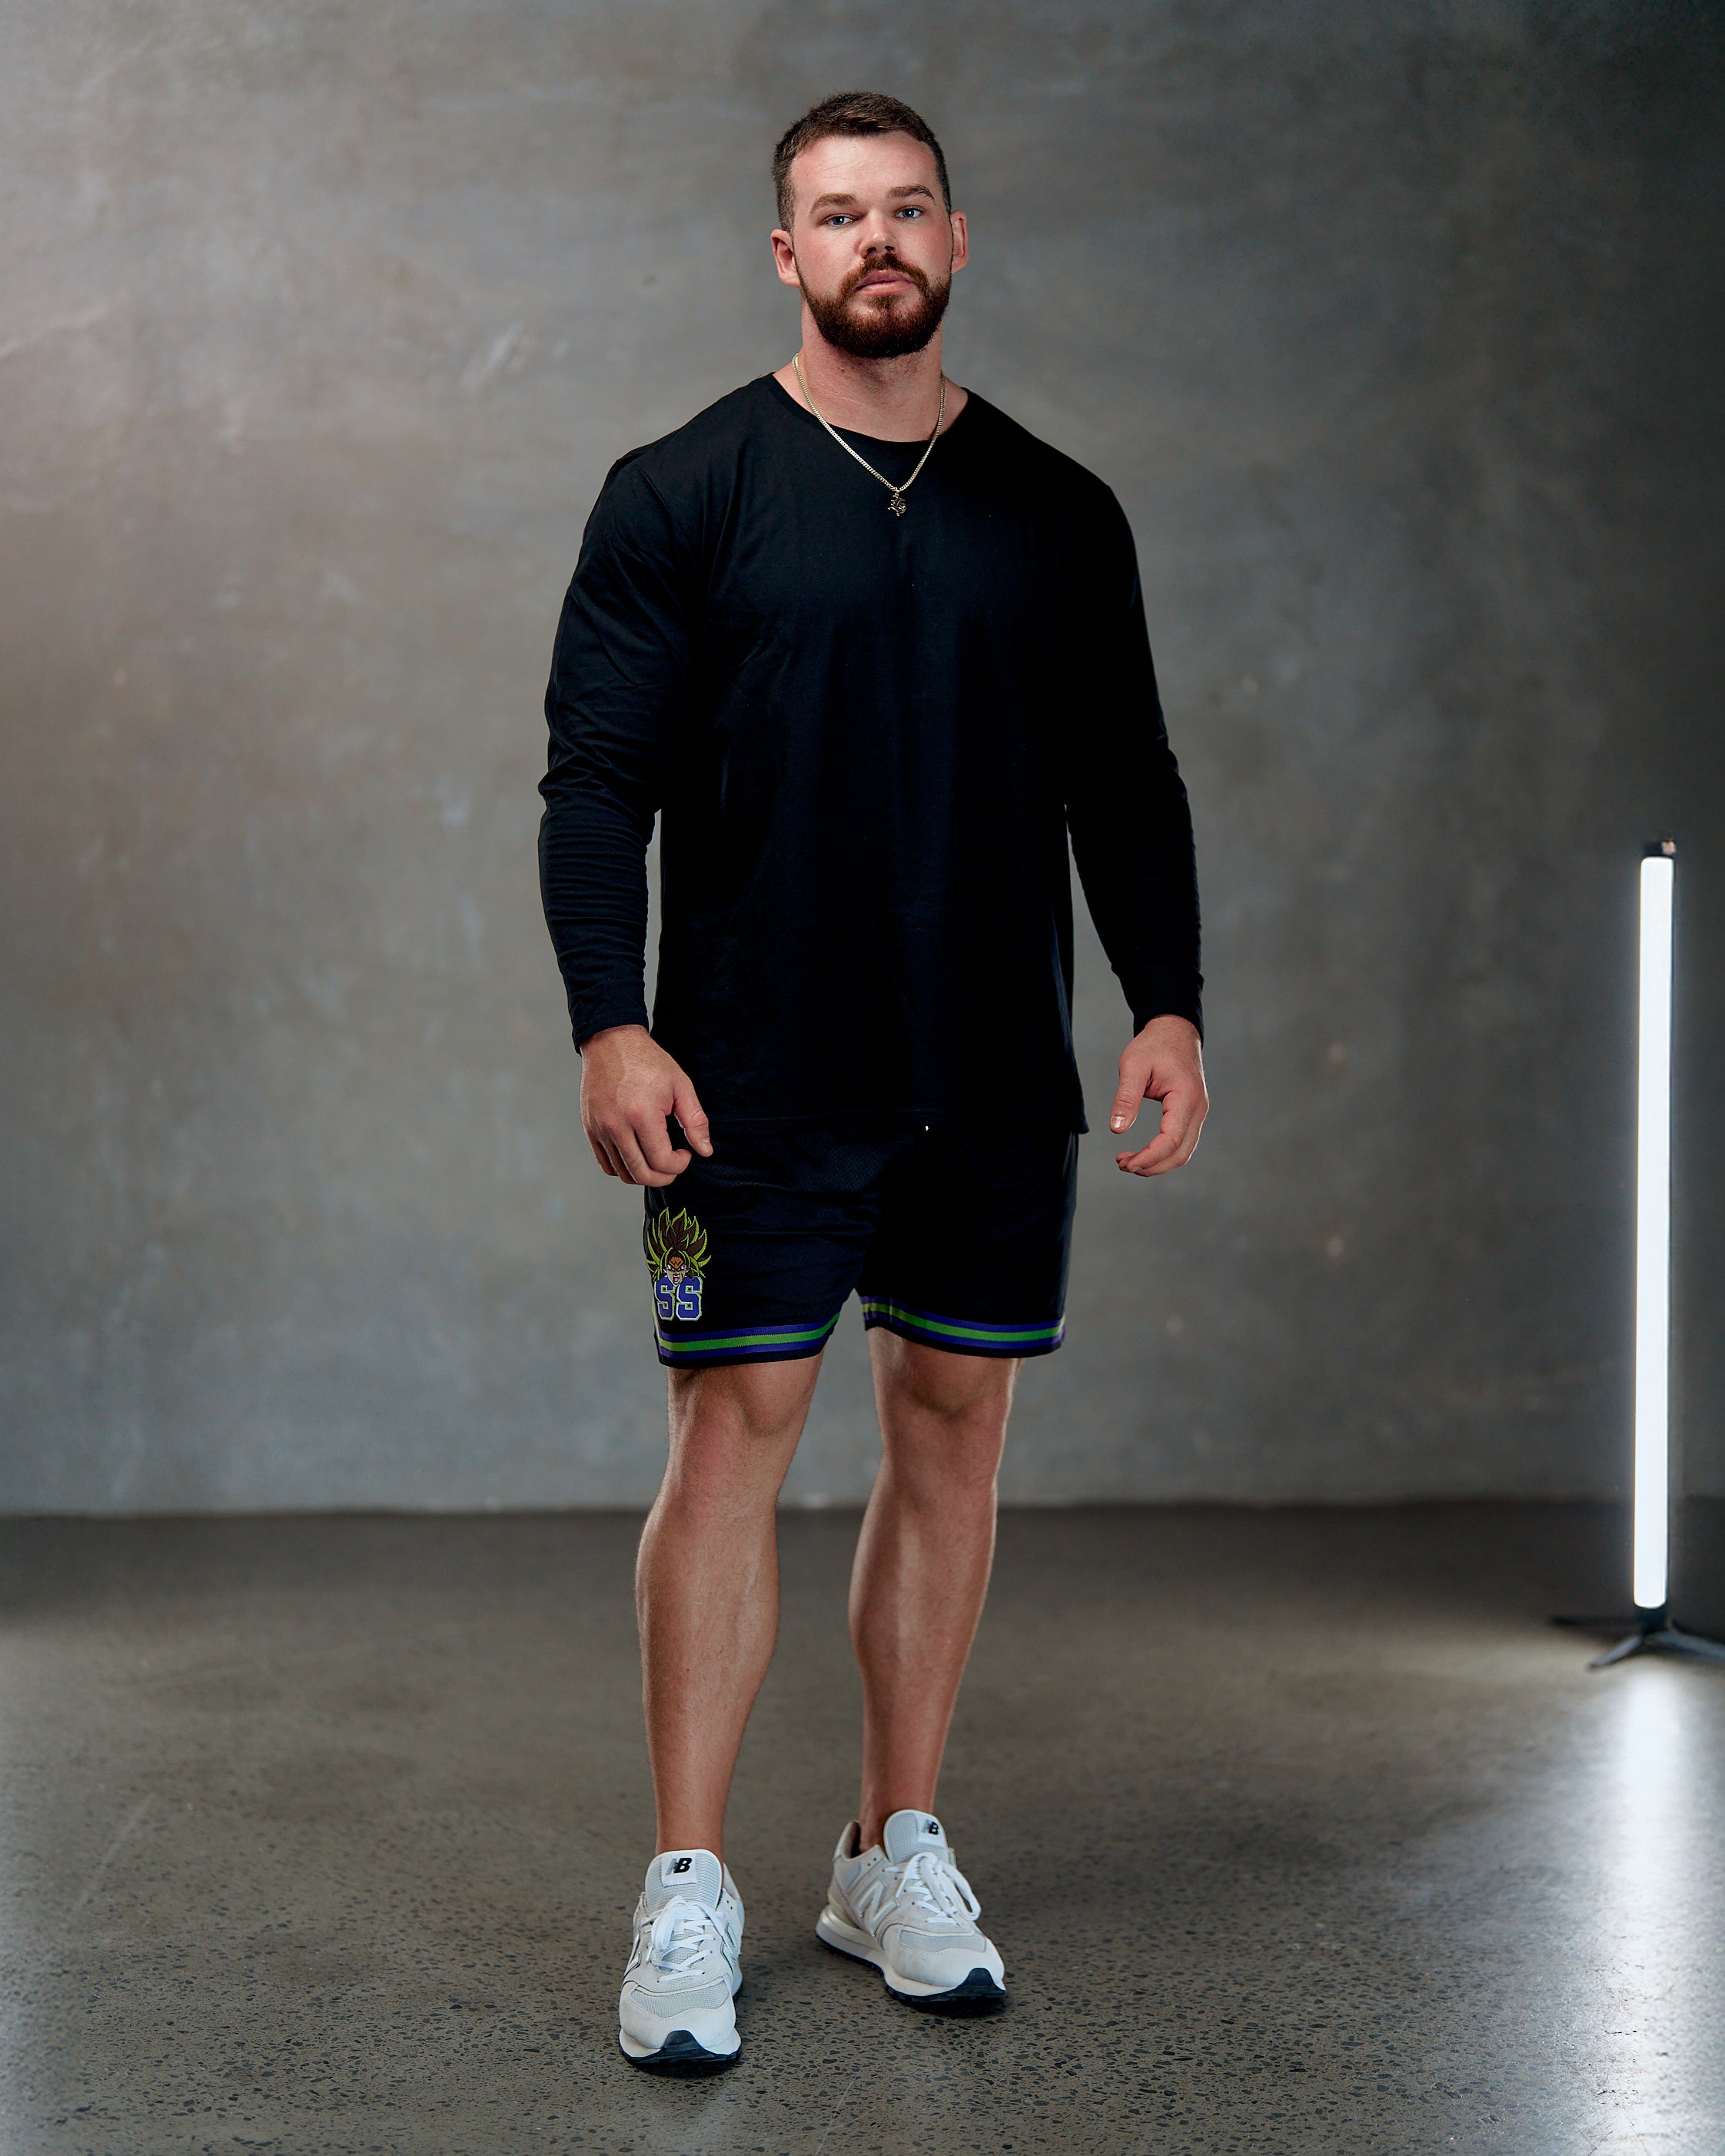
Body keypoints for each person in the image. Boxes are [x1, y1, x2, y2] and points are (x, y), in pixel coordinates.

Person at [539, 89, 1207, 2074]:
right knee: (732, 1432)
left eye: (908, 208)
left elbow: (1126, 779)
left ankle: (886, 1848)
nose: (877, 242)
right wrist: (608, 1021)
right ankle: (685, 1882)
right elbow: (596, 786)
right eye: (838, 216)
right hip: (746, 1079)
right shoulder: (682, 491)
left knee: (952, 1430)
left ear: (957, 239)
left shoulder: (1058, 510)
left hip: (988, 1075)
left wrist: (1165, 1001)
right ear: (785, 255)